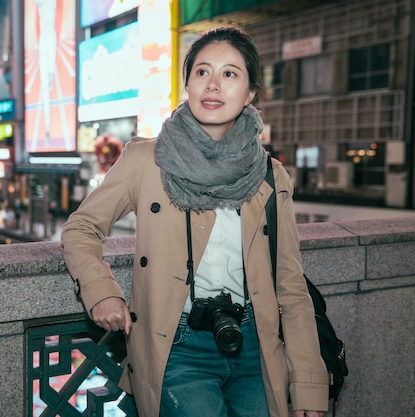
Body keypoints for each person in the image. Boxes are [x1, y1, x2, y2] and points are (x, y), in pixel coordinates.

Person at [61, 26, 329, 417]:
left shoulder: (270, 175)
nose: (213, 85)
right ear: (187, 83)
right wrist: (100, 290)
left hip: (258, 344)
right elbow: (81, 227)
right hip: (176, 344)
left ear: (251, 92)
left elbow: (289, 284)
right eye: (202, 72)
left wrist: (308, 384)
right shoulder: (145, 160)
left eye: (230, 74)